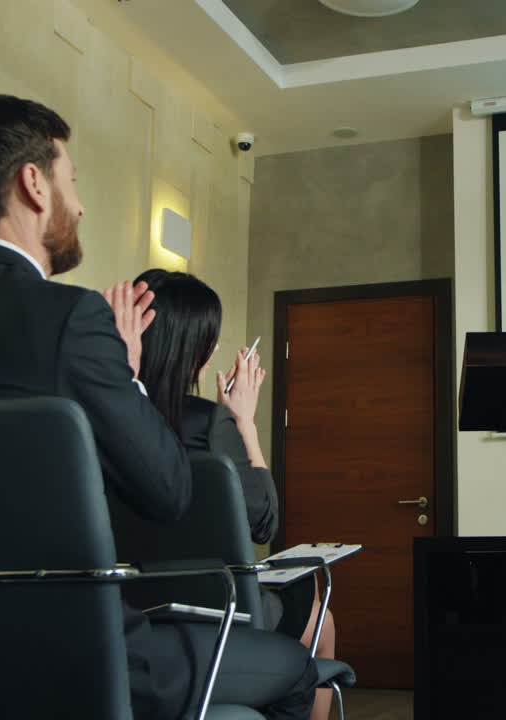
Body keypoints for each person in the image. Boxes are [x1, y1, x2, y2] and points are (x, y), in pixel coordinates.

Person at [0, 93, 316, 720]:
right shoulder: (73, 320)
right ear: (34, 185)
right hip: (75, 649)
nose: (79, 203)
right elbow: (168, 492)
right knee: (297, 670)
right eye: (71, 181)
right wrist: (127, 378)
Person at [133, 268, 338, 720]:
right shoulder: (210, 423)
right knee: (316, 603)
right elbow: (264, 522)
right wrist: (243, 421)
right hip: (215, 608)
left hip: (131, 606)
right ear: (197, 352)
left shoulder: (107, 419)